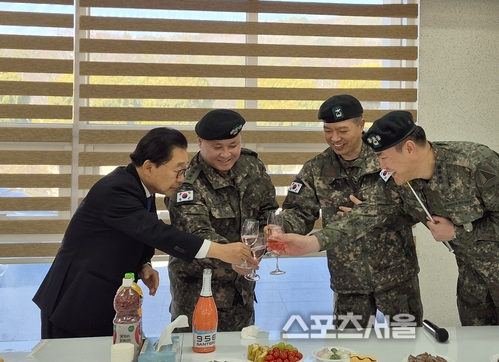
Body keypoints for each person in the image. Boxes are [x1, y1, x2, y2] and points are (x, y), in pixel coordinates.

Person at [277, 110, 499, 326]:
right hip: (471, 274)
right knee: (476, 347)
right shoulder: (399, 180)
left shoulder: (475, 164)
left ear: (409, 148)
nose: (381, 166)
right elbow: (367, 214)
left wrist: (457, 233)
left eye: (383, 157)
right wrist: (313, 243)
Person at [33, 127, 254, 339]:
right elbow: (156, 232)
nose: (181, 178)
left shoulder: (138, 186)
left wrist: (143, 264)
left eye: (184, 170)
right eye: (178, 171)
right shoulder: (117, 189)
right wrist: (220, 250)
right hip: (74, 303)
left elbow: (134, 231)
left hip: (101, 299)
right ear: (149, 167)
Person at [281, 94, 422, 329]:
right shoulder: (316, 168)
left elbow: (414, 209)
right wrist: (280, 227)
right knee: (350, 347)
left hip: (397, 278)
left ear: (361, 124)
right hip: (348, 282)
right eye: (328, 130)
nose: (335, 138)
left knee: (408, 342)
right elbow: (299, 212)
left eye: (342, 130)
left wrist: (369, 216)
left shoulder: (387, 158)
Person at [165, 109, 278, 331]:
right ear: (200, 142)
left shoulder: (252, 167)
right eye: (217, 147)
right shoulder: (186, 182)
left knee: (241, 348)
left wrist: (269, 235)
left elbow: (268, 211)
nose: (226, 154)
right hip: (198, 292)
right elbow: (196, 234)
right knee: (195, 350)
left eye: (233, 145)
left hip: (242, 291)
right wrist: (235, 257)